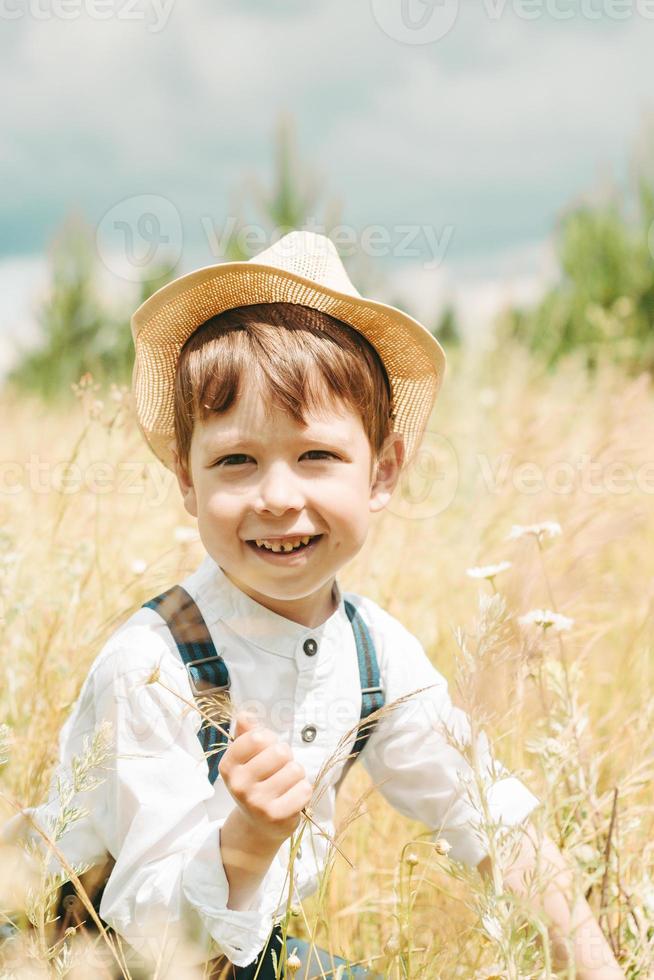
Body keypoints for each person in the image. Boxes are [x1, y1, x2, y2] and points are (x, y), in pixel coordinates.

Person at [2, 232, 624, 979]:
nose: (277, 496)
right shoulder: (151, 665)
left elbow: (488, 819)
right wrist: (249, 840)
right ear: (186, 481)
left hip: (232, 952)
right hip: (72, 948)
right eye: (236, 460)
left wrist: (601, 966)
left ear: (383, 471)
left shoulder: (371, 651)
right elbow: (154, 936)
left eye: (316, 456)